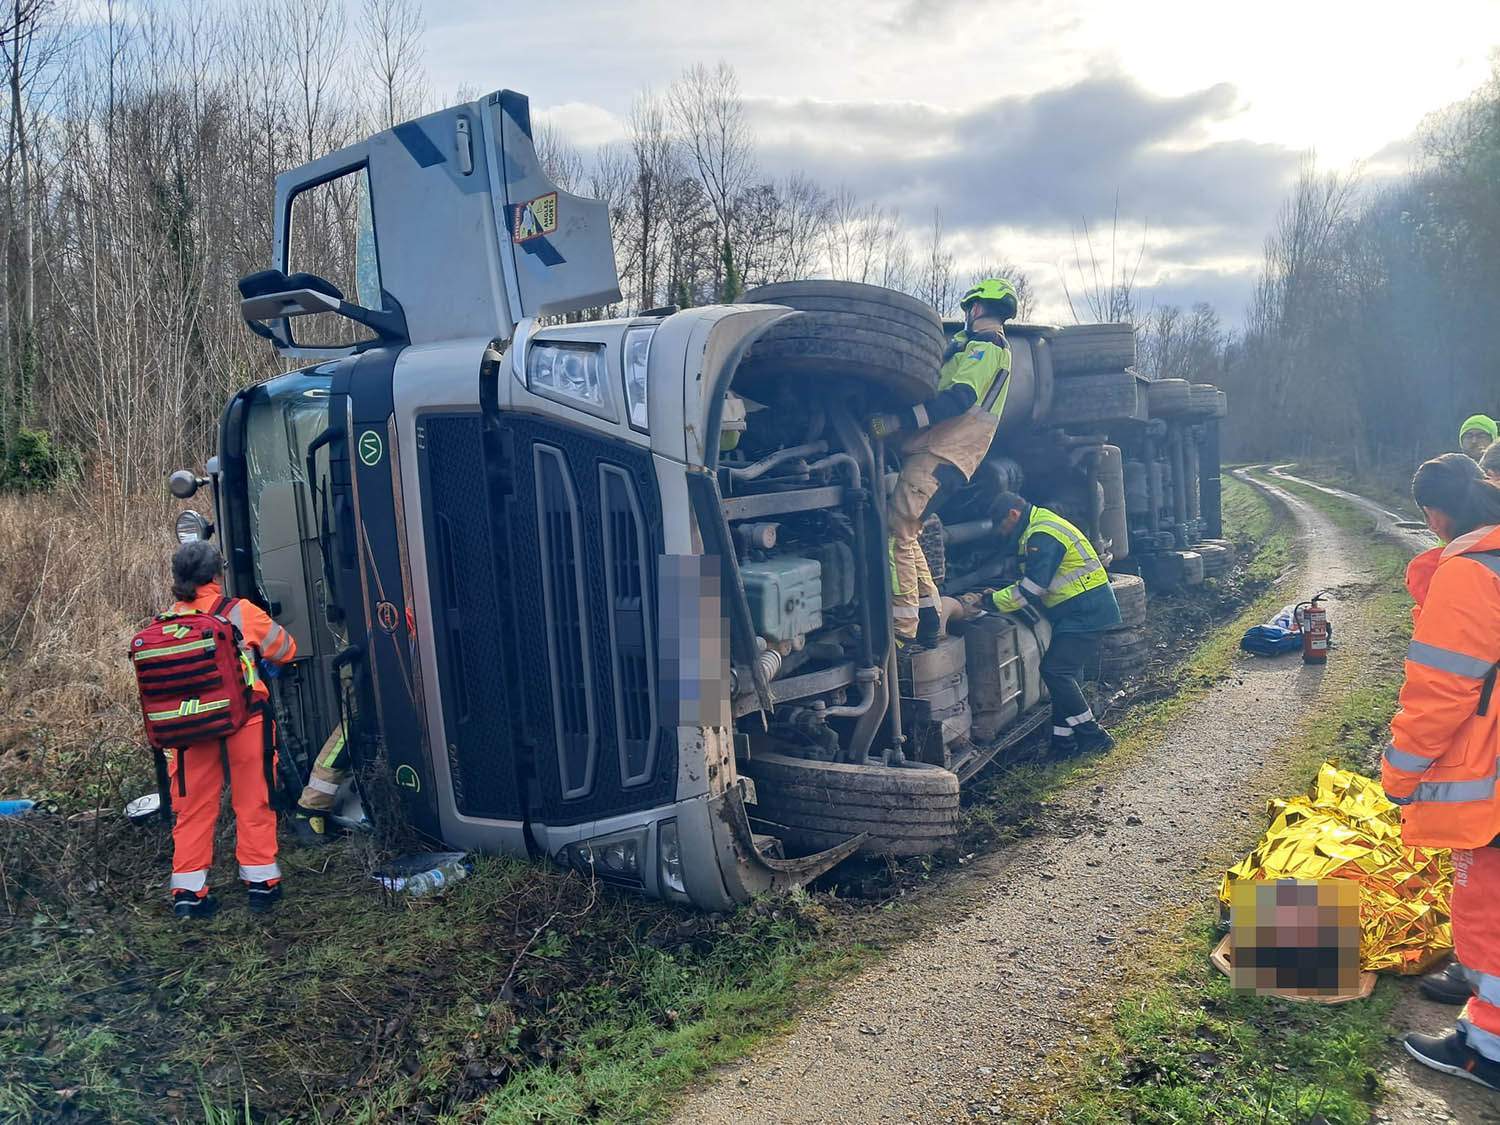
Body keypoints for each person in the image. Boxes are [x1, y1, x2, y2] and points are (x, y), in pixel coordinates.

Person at [1382, 452, 1500, 1088]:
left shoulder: (1472, 572)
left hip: (1492, 786)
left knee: (1487, 910)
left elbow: (1440, 693)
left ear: (1434, 515)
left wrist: (1399, 776)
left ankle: (1487, 1050)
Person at [869, 278, 1018, 645]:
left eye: (969, 309)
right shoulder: (980, 346)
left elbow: (959, 397)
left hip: (941, 453)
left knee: (895, 535)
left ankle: (902, 636)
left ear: (977, 308)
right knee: (908, 534)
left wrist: (898, 421)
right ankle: (928, 621)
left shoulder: (986, 344)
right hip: (947, 455)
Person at [163, 541, 297, 918]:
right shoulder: (239, 612)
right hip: (245, 720)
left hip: (190, 728)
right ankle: (261, 886)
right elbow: (286, 649)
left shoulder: (166, 623)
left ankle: (189, 895)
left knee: (192, 809)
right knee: (254, 799)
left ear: (178, 580)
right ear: (217, 575)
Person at [972, 491, 1121, 757]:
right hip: (1081, 611)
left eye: (1003, 526)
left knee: (1055, 671)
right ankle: (1063, 744)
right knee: (1064, 675)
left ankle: (1093, 736)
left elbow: (1031, 589)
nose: (1003, 533)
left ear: (1014, 515)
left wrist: (989, 601)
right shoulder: (1040, 525)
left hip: (1086, 612)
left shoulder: (1042, 534)